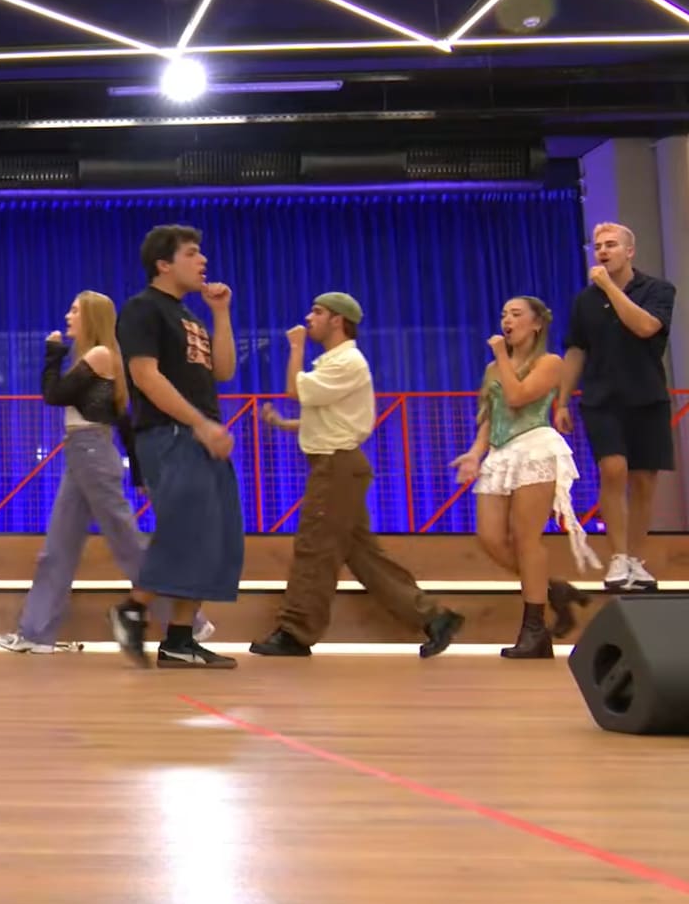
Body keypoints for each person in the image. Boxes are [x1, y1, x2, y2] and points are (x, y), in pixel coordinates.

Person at [0, 291, 213, 654]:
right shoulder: (100, 357)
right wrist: (138, 474)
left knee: (127, 543)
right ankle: (35, 633)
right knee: (58, 549)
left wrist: (52, 354)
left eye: (75, 310)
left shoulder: (99, 355)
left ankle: (190, 622)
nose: (68, 316)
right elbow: (124, 421)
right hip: (83, 452)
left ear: (91, 317)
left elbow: (54, 394)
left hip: (91, 453)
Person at [251, 293, 463, 659]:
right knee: (363, 555)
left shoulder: (347, 361)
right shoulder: (337, 362)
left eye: (318, 312)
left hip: (335, 467)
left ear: (337, 320)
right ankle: (433, 616)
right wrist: (287, 424)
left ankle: (296, 632)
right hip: (339, 465)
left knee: (315, 547)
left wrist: (295, 347)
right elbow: (334, 416)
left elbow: (295, 390)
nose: (309, 318)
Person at [110, 225, 243, 669]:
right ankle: (133, 608)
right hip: (169, 434)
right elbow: (145, 376)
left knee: (213, 535)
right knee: (187, 526)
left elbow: (223, 370)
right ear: (163, 264)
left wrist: (220, 313)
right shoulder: (143, 308)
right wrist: (199, 423)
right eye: (191, 253)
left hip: (202, 435)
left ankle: (180, 640)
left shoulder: (191, 316)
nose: (202, 260)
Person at [453, 297, 601, 657]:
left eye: (516, 314)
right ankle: (554, 590)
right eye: (504, 314)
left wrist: (501, 356)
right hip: (501, 453)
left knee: (525, 538)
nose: (507, 320)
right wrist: (475, 453)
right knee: (489, 537)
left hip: (535, 447)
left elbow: (518, 397)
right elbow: (491, 415)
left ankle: (534, 631)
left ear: (536, 324)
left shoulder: (550, 363)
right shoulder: (493, 368)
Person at [556, 223, 676, 593]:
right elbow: (576, 349)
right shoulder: (585, 300)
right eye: (597, 246)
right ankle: (618, 556)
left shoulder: (657, 290)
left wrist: (610, 288)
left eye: (610, 245)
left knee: (643, 481)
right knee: (613, 469)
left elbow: (646, 327)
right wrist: (562, 400)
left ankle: (636, 559)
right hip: (601, 398)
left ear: (629, 251)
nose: (603, 252)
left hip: (647, 396)